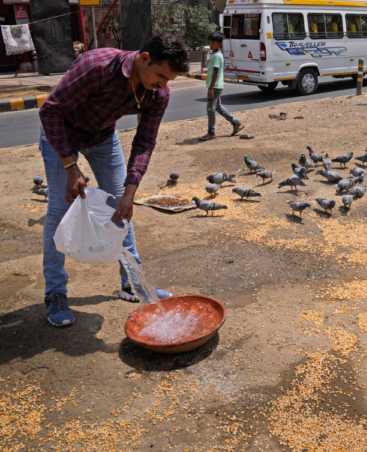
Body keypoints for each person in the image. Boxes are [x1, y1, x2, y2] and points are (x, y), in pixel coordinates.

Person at [38, 33, 189, 327]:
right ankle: (55, 293)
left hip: (102, 138)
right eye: (160, 76)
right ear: (144, 58)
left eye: (168, 80)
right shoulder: (97, 66)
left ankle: (133, 284)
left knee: (123, 210)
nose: (163, 85)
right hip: (61, 134)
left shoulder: (158, 93)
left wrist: (130, 191)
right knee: (59, 209)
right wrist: (71, 166)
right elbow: (50, 111)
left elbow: (145, 141)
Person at [199, 31, 243, 141]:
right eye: (209, 42)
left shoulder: (217, 56)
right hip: (216, 86)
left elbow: (215, 72)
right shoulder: (215, 55)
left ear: (219, 44)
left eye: (213, 42)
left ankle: (211, 133)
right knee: (217, 107)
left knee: (210, 109)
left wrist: (210, 88)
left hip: (215, 86)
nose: (210, 44)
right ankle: (235, 122)